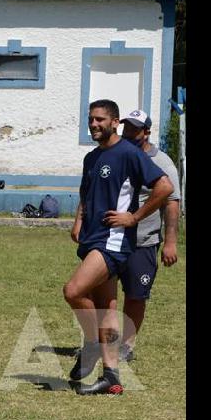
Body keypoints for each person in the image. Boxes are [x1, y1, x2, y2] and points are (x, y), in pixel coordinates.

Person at [65, 99, 173, 395]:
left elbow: (165, 187)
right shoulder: (92, 158)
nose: (94, 124)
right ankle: (111, 376)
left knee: (73, 291)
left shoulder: (128, 153)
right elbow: (86, 192)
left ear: (115, 122)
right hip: (92, 238)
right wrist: (79, 220)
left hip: (113, 241)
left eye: (100, 119)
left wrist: (134, 217)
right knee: (107, 306)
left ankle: (91, 344)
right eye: (91, 119)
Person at [117, 110, 181, 362]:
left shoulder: (161, 162)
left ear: (146, 132)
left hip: (143, 240)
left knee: (135, 294)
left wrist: (171, 242)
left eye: (135, 129)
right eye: (127, 128)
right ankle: (102, 342)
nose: (129, 133)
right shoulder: (118, 155)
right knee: (103, 292)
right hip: (111, 237)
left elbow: (172, 202)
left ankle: (126, 345)